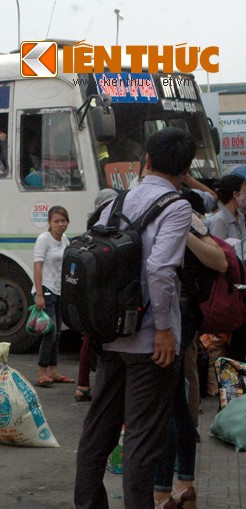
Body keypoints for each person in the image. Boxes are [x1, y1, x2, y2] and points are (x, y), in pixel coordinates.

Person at [74, 127, 196, 509]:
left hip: (110, 335)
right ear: (186, 168)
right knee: (143, 441)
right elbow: (161, 269)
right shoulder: (177, 207)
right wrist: (163, 329)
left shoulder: (117, 201)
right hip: (148, 345)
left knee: (98, 433)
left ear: (145, 160)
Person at [152, 187, 227, 509]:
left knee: (165, 402)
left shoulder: (183, 216)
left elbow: (220, 262)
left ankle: (160, 491)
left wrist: (184, 236)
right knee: (177, 402)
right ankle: (185, 482)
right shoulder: (176, 211)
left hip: (174, 311)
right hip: (177, 311)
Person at [74, 189, 118, 402]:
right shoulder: (111, 230)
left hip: (87, 294)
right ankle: (100, 387)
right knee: (106, 341)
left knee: (88, 339)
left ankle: (83, 384)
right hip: (103, 295)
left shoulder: (90, 232)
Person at [31, 206, 72, 388]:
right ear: (49, 223)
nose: (60, 224)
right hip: (45, 289)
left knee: (58, 332)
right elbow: (37, 266)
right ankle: (42, 372)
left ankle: (53, 371)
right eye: (56, 221)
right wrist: (39, 295)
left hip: (59, 290)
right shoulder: (43, 239)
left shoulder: (65, 239)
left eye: (63, 221)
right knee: (50, 331)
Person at [208, 174, 246, 240]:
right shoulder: (220, 220)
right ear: (235, 194)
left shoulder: (240, 216)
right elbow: (217, 248)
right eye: (244, 190)